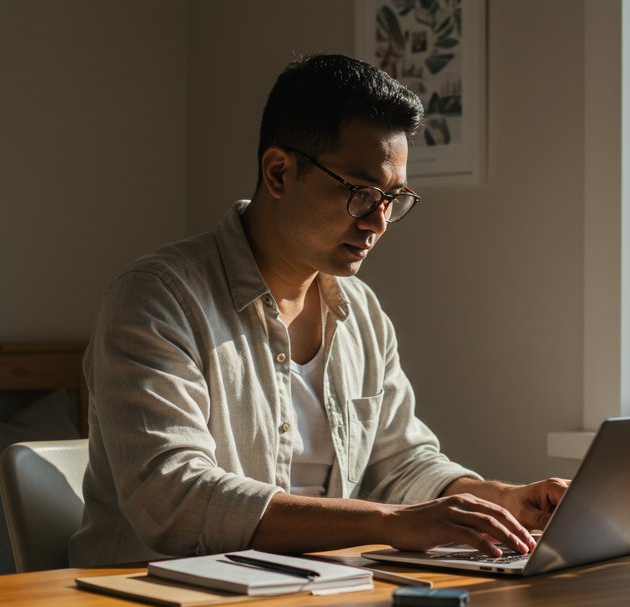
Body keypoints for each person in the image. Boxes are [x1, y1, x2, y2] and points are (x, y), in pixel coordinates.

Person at [69, 54, 568, 567]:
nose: (378, 223)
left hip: (313, 597)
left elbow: (399, 463)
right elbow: (173, 498)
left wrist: (502, 500)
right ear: (280, 172)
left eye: (394, 199)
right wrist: (386, 524)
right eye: (362, 192)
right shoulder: (158, 298)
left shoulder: (361, 313)